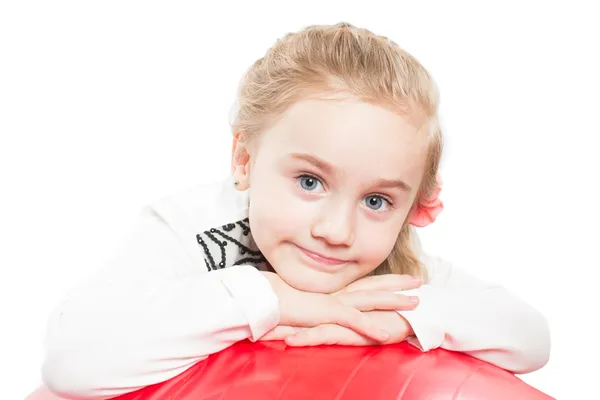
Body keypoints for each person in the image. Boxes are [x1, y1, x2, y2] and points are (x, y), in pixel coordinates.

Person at [41, 22, 550, 399]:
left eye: (377, 201)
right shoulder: (185, 228)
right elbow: (70, 358)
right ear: (244, 158)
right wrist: (270, 298)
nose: (335, 230)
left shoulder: (393, 263)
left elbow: (531, 338)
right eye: (310, 181)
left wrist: (408, 318)